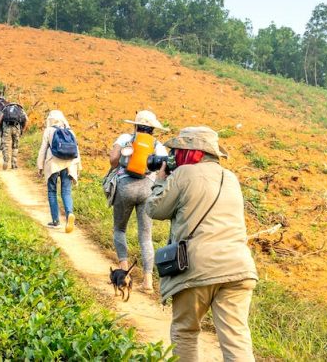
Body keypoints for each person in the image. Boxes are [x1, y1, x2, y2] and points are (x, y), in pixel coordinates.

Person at [147, 126, 258, 362]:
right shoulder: (231, 178)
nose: (174, 157)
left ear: (191, 152)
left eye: (177, 151)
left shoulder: (185, 173)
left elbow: (155, 209)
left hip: (197, 266)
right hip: (239, 268)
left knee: (185, 331)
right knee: (236, 339)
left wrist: (159, 181)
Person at [109, 110, 169, 292]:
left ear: (135, 125)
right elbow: (164, 171)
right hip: (147, 189)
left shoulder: (125, 138)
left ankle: (123, 272)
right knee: (145, 236)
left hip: (125, 187)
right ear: (153, 129)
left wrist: (120, 164)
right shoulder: (158, 145)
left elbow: (113, 159)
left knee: (120, 229)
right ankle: (148, 282)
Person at [36, 110, 81, 233]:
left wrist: (40, 166)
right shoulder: (70, 131)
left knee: (52, 191)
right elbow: (77, 151)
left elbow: (43, 149)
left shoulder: (49, 130)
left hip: (53, 164)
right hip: (69, 165)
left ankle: (55, 221)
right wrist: (78, 168)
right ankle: (69, 214)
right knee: (66, 192)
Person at [0, 101, 27, 170]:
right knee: (15, 146)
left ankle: (6, 160)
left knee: (5, 145)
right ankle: (14, 164)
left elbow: (0, 118)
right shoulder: (20, 109)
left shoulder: (6, 109)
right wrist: (23, 130)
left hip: (7, 128)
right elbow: (27, 120)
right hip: (17, 128)